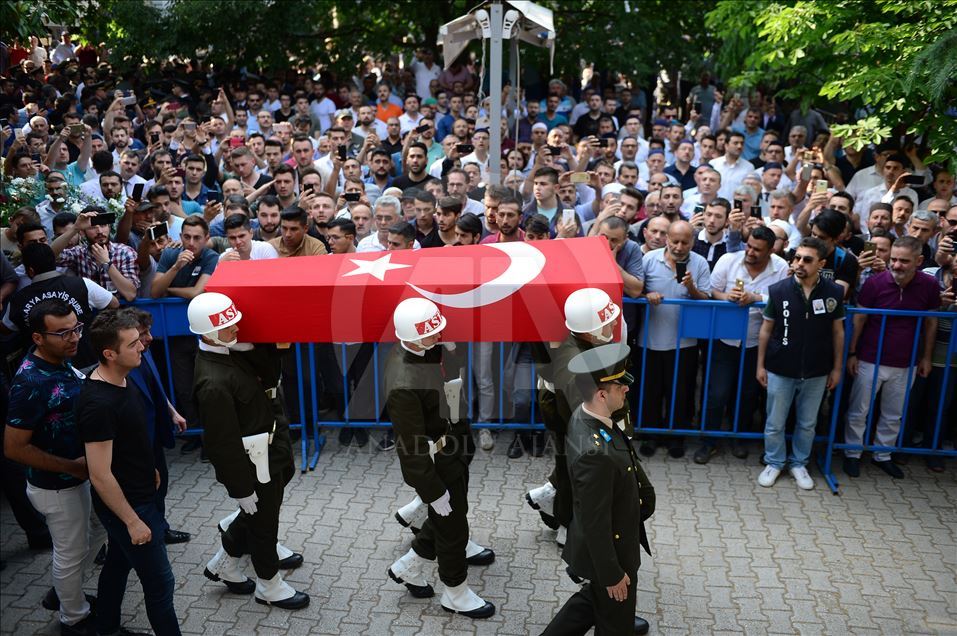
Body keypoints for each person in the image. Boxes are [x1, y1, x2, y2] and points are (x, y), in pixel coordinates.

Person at [189, 292, 309, 609]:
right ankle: (269, 586)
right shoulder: (213, 382)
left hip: (269, 443)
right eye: (228, 325)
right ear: (207, 333)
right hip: (253, 460)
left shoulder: (229, 349)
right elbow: (221, 443)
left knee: (264, 507)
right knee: (263, 521)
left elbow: (267, 372)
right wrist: (240, 488)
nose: (237, 328)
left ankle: (225, 560)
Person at [385, 298, 495, 619]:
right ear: (411, 336)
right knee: (451, 524)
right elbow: (411, 447)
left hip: (451, 439)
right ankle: (455, 592)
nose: (438, 336)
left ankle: (410, 565)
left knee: (454, 511)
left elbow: (447, 368)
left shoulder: (423, 346)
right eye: (431, 333)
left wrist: (451, 349)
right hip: (436, 457)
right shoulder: (403, 383)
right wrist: (431, 490)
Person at [4, 299, 106, 636]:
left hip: (78, 476)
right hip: (57, 486)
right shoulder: (29, 383)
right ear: (37, 338)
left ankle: (65, 591)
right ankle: (73, 617)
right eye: (62, 333)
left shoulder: (61, 360)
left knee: (90, 538)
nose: (75, 337)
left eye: (76, 328)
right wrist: (73, 468)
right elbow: (14, 448)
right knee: (70, 548)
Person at [77, 309, 182, 635]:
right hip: (131, 507)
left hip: (141, 492)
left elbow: (130, 438)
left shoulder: (124, 377)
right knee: (161, 585)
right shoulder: (99, 404)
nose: (142, 347)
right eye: (134, 343)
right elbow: (100, 474)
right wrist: (133, 521)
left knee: (118, 564)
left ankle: (106, 627)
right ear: (110, 353)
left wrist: (147, 465)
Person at [541, 343, 654, 636]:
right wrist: (612, 574)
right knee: (615, 621)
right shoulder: (595, 451)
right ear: (602, 394)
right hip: (613, 553)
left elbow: (622, 453)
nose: (626, 390)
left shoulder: (589, 416)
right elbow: (595, 520)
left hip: (614, 542)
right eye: (620, 386)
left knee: (592, 603)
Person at [843, 236, 940, 479]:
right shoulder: (875, 283)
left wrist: (926, 357)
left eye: (904, 261)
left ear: (918, 261)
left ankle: (882, 455)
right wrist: (852, 353)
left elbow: (931, 323)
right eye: (893, 259)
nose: (896, 265)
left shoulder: (929, 286)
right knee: (859, 410)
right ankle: (852, 454)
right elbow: (860, 319)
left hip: (906, 362)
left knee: (893, 413)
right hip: (869, 358)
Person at [756, 238, 845, 489]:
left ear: (821, 263)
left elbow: (838, 332)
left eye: (807, 259)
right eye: (797, 258)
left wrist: (837, 368)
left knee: (807, 423)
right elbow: (766, 329)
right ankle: (774, 462)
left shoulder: (834, 292)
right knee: (775, 421)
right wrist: (760, 365)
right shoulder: (778, 290)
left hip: (817, 369)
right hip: (780, 367)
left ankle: (799, 463)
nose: (799, 263)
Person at [694, 226, 789, 464]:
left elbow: (784, 297)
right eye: (749, 246)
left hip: (757, 341)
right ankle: (709, 442)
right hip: (725, 338)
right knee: (717, 393)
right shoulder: (728, 259)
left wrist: (756, 299)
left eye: (758, 249)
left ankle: (739, 438)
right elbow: (712, 290)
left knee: (747, 394)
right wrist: (727, 298)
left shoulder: (781, 268)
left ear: (770, 251)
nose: (751, 252)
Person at [638, 221, 712, 458]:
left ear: (692, 241)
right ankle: (650, 435)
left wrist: (691, 287)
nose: (679, 247)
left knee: (680, 392)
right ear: (667, 239)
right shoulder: (650, 259)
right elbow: (636, 289)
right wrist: (646, 294)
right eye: (675, 241)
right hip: (649, 339)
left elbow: (706, 298)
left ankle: (675, 437)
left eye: (685, 242)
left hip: (685, 342)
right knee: (650, 391)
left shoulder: (699, 263)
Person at [122, 307, 191, 544]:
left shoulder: (146, 351)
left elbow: (156, 387)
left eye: (148, 331)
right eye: (142, 334)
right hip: (136, 442)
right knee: (144, 491)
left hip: (154, 436)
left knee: (161, 487)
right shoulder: (124, 366)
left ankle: (160, 529)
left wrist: (171, 411)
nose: (149, 339)